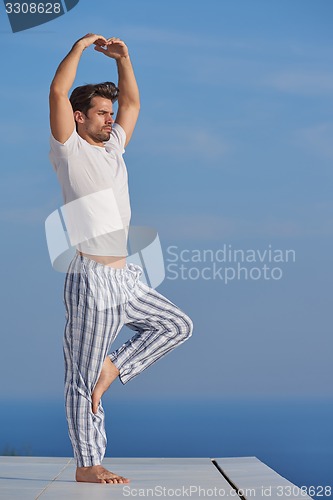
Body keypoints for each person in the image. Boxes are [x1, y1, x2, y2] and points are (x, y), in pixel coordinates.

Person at [49, 33, 193, 484]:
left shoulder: (114, 148)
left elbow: (131, 104)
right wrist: (77, 49)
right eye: (101, 113)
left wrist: (124, 61)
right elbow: (56, 91)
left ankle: (116, 366)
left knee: (176, 325)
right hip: (90, 278)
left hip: (126, 277)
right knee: (80, 376)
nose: (110, 120)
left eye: (111, 115)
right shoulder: (69, 150)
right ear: (79, 117)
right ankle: (87, 466)